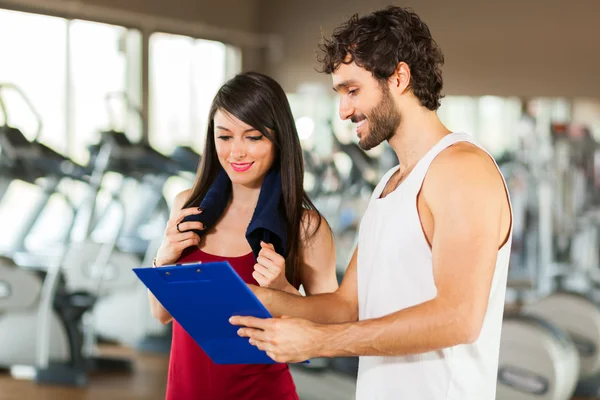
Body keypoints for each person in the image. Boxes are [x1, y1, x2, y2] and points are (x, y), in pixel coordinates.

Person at [231, 6, 513, 400]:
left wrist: (319, 343)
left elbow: (458, 318)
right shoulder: (391, 183)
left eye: (352, 90)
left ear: (399, 77)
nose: (344, 111)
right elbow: (348, 305)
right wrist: (262, 299)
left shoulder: (461, 170)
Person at [148, 72, 338, 400]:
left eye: (253, 137)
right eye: (224, 137)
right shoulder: (187, 206)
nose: (236, 152)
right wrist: (162, 259)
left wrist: (283, 291)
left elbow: (332, 331)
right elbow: (162, 314)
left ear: (278, 140)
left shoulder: (306, 227)